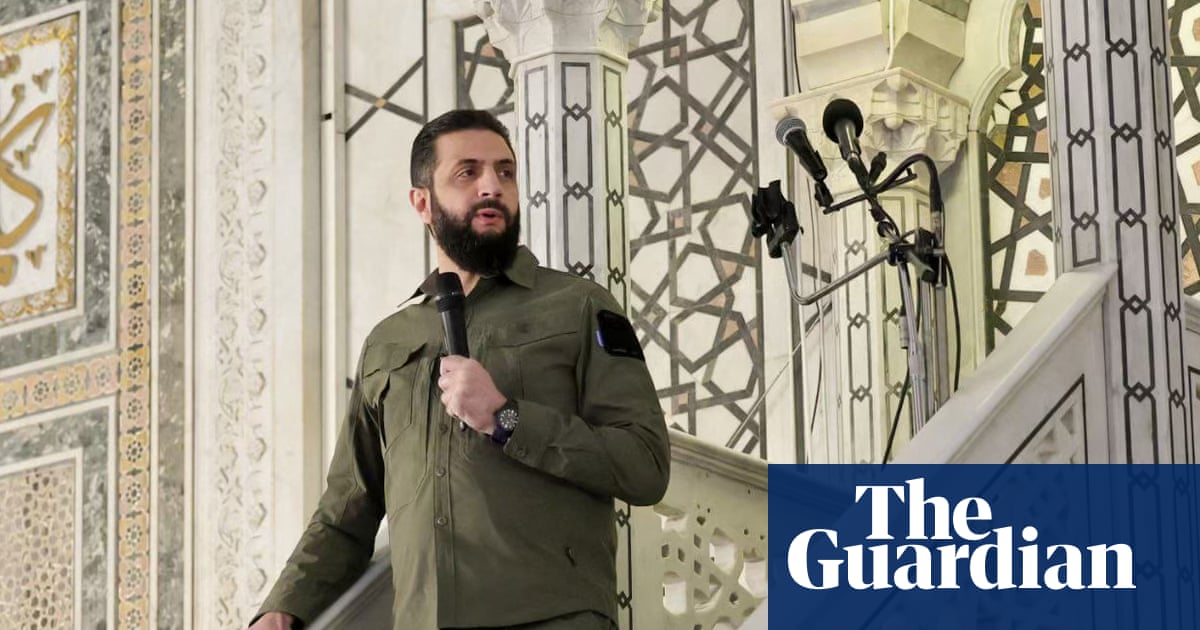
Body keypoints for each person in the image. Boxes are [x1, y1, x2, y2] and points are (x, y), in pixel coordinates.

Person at [249, 109, 671, 630]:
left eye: (505, 172)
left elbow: (644, 465)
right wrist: (284, 606)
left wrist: (507, 418)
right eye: (467, 172)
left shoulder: (580, 306)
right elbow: (347, 509)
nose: (492, 186)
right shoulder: (389, 341)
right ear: (422, 202)